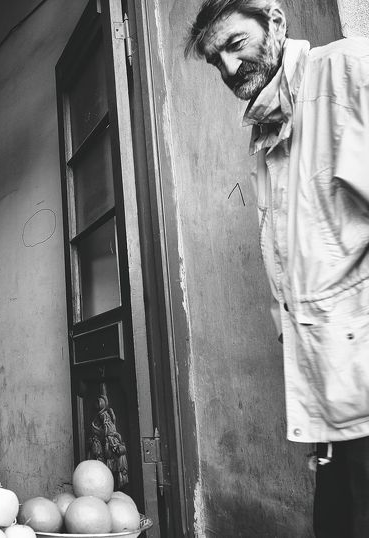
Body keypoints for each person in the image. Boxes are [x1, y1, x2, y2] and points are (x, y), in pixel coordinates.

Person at [185, 1, 369, 535]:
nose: (228, 68)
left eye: (236, 44)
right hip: (333, 390)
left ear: (276, 23)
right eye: (216, 59)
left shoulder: (345, 71)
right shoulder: (266, 135)